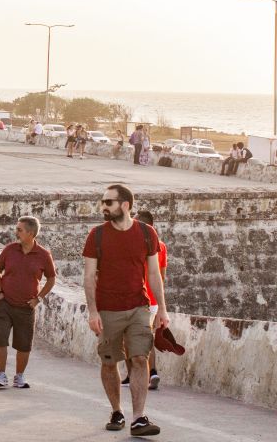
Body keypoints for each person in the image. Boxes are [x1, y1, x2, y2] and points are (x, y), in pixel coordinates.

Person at [83, 185, 168, 437]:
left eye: (109, 202)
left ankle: (139, 417)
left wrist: (162, 309)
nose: (104, 207)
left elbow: (154, 274)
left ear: (125, 205)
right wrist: (92, 311)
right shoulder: (96, 235)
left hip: (139, 307)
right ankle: (116, 410)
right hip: (108, 309)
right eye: (103, 202)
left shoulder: (146, 233)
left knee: (140, 358)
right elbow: (89, 277)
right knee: (110, 362)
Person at [0, 216, 56, 389]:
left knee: (24, 344)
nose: (16, 232)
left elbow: (51, 278)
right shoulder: (10, 249)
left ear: (31, 233)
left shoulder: (43, 255)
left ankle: (19, 376)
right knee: (0, 339)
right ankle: (1, 374)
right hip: (5, 303)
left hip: (27, 307)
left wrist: (38, 298)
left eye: (20, 230)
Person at [121, 210, 167, 391]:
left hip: (136, 297)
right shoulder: (161, 246)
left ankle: (133, 375)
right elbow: (161, 276)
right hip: (154, 299)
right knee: (148, 337)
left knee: (126, 337)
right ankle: (153, 372)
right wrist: (162, 306)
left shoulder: (132, 246)